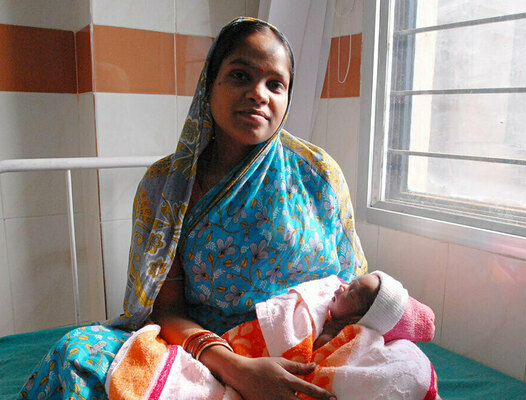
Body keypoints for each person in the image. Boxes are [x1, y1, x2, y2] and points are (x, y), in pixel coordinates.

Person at [18, 17, 366, 400]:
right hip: (201, 353)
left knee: (399, 368)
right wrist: (238, 369)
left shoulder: (317, 174)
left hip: (301, 352)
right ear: (208, 84)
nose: (258, 94)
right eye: (239, 76)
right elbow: (165, 310)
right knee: (76, 354)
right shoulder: (166, 185)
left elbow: (348, 294)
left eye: (275, 84)